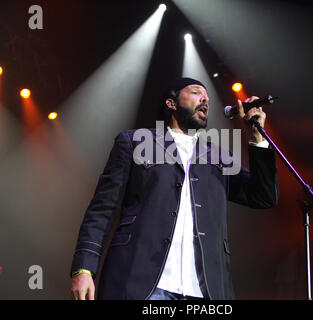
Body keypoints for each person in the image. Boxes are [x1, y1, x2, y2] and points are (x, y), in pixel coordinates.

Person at [70, 77, 278, 300]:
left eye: (207, 97)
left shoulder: (217, 157)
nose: (205, 99)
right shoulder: (135, 142)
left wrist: (257, 138)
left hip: (205, 290)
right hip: (142, 285)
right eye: (197, 92)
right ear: (171, 103)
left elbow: (263, 197)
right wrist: (84, 268)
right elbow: (102, 210)